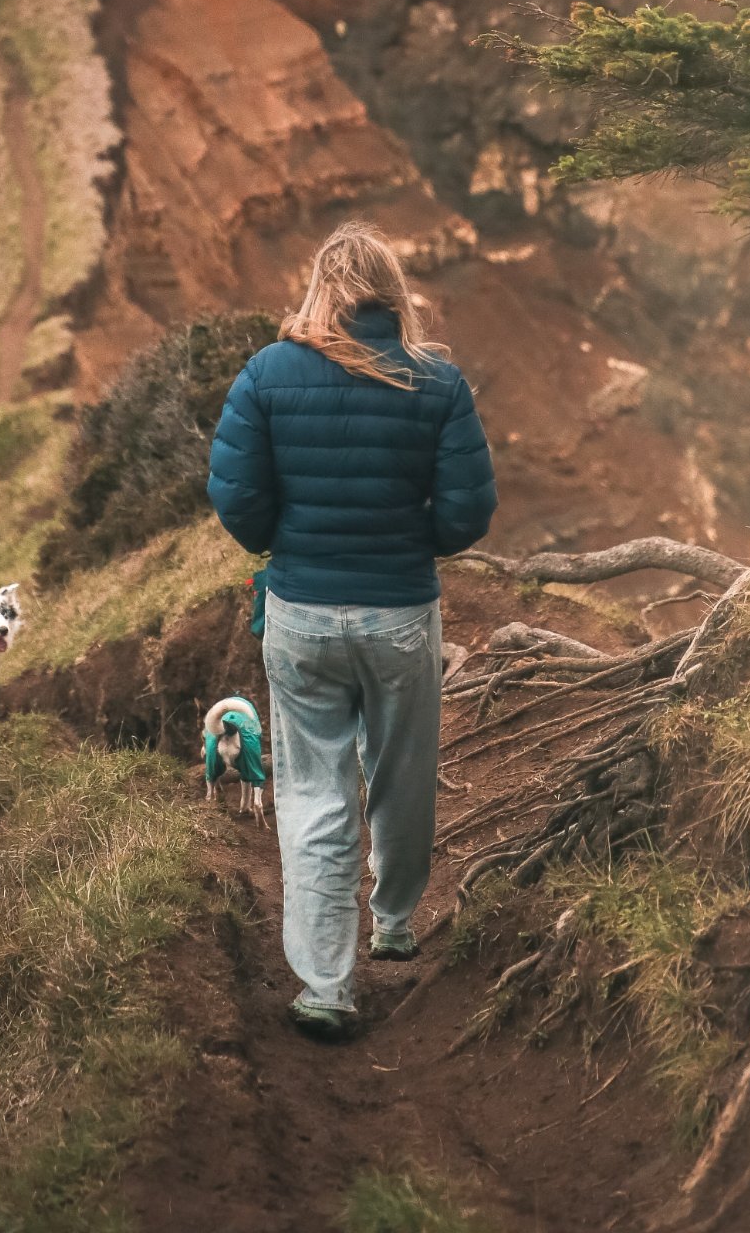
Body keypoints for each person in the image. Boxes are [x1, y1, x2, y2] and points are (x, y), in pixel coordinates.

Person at [207, 222, 497, 1039]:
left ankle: (327, 988)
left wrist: (287, 543)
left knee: (313, 795)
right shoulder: (438, 384)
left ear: (321, 289)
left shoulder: (265, 375)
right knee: (402, 771)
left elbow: (236, 496)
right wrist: (415, 545)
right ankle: (395, 921)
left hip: (299, 615)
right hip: (401, 611)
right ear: (392, 292)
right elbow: (469, 509)